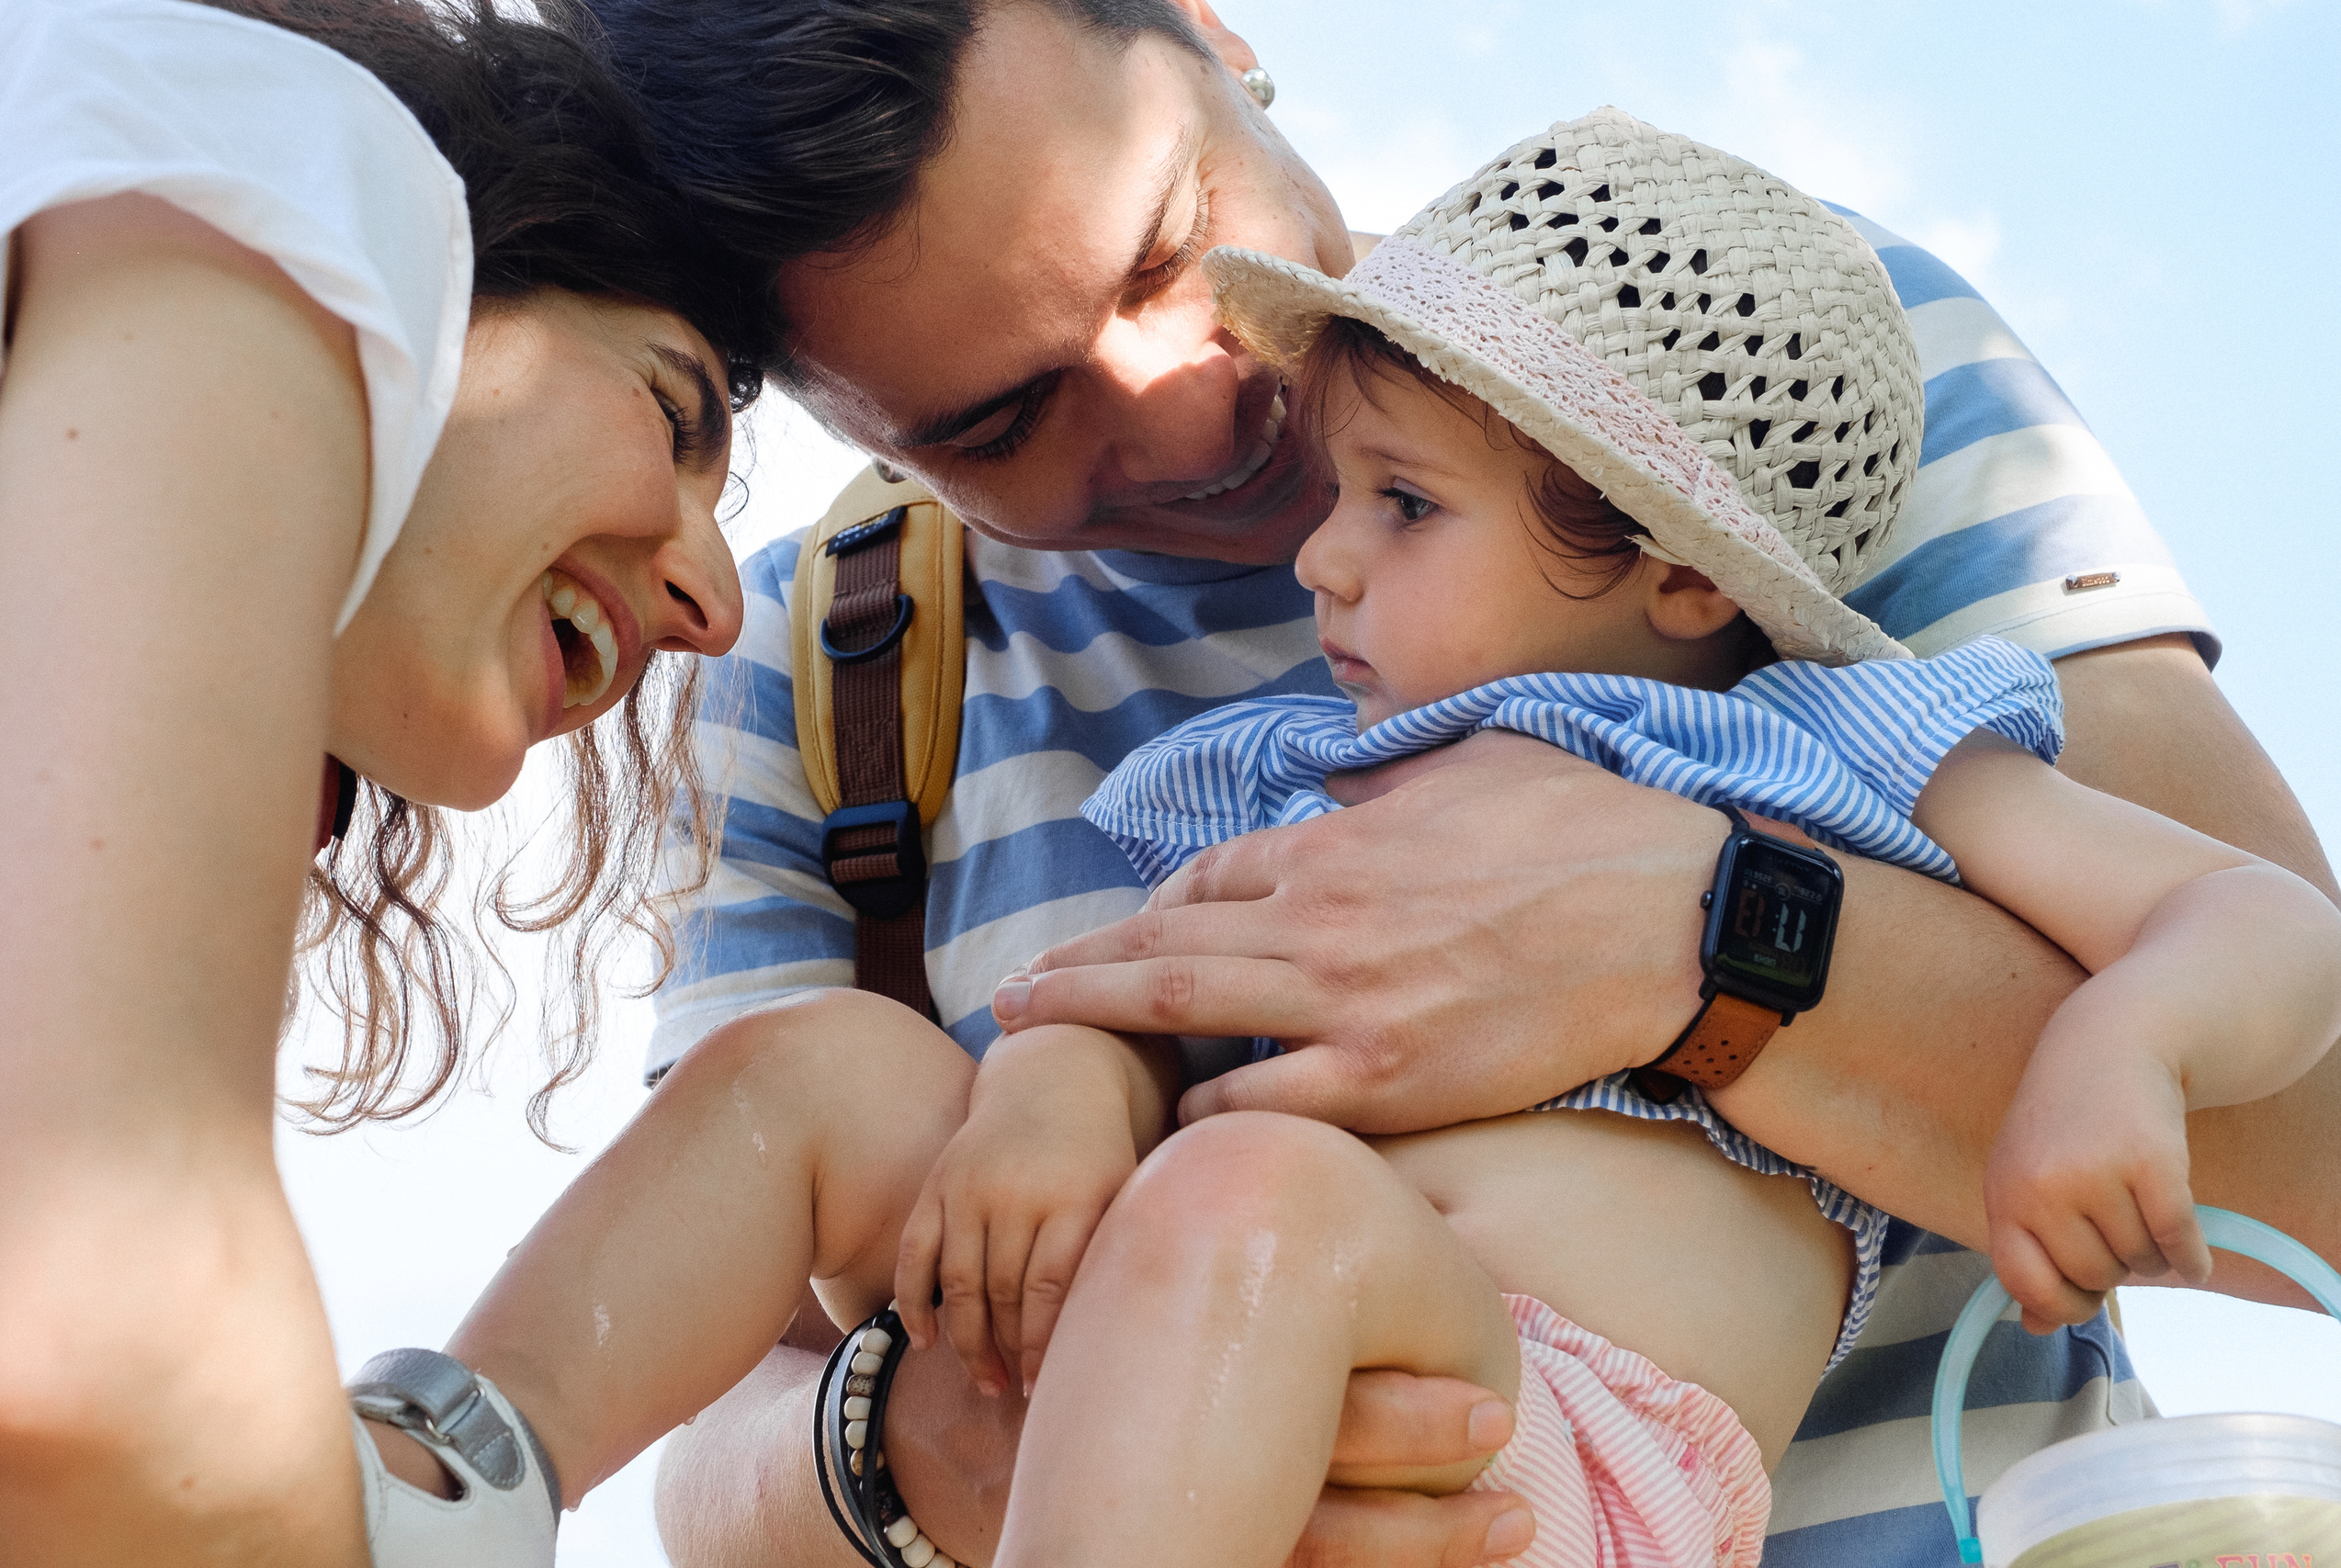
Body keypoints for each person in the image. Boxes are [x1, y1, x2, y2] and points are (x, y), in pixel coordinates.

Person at [334, 111, 2341, 1568]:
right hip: (1195, 1342)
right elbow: (1137, 992)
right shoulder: (1283, 761)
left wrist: (2116, 1042)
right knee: (826, 1069)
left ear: (1671, 565)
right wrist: (1049, 1089)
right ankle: (442, 1469)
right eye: (982, 420)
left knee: (1248, 1194)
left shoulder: (1842, 738)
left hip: (1544, 1438)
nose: (1319, 549)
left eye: (1403, 504)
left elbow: (2247, 921)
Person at [0, 0, 772, 1561]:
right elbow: (109, 1333)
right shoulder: (282, 163)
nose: (720, 605)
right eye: (669, 407)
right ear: (479, 247)